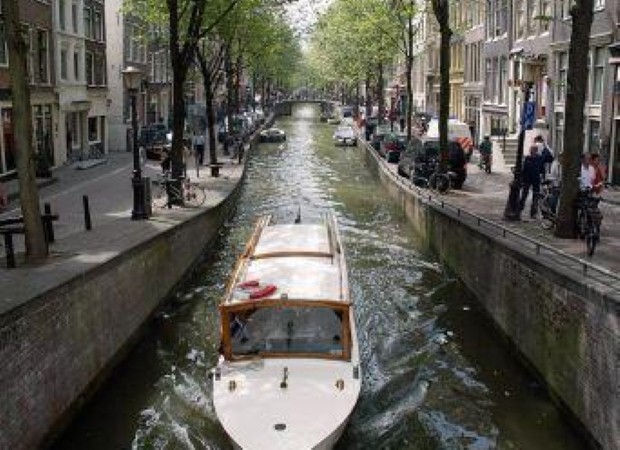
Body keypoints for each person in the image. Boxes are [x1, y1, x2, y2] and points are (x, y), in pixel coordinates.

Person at [519, 145, 545, 218]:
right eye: (530, 150)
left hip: (536, 179)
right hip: (527, 179)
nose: (530, 151)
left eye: (532, 150)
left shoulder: (540, 158)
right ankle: (520, 210)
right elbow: (524, 169)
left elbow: (542, 169)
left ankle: (533, 213)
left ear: (536, 151)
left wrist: (542, 176)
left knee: (535, 196)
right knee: (524, 195)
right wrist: (522, 179)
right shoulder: (527, 158)